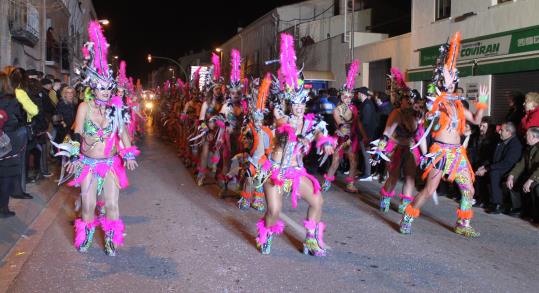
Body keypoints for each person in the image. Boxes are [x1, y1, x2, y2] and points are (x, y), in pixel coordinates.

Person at [56, 21, 139, 256]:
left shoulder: (117, 108)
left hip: (111, 163)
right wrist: (73, 153)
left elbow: (123, 135)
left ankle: (111, 239)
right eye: (100, 87)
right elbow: (76, 132)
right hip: (89, 164)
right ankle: (88, 234)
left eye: (107, 87)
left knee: (112, 205)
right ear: (93, 86)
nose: (104, 91)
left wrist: (129, 153)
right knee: (89, 205)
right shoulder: (84, 106)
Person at [399, 32, 488, 237]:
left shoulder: (458, 105)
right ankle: (408, 216)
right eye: (446, 82)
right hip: (440, 153)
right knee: (429, 191)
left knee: (469, 190)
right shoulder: (436, 105)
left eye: (452, 81)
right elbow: (428, 113)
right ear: (440, 83)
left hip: (458, 154)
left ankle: (463, 223)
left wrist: (482, 102)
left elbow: (475, 119)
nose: (450, 85)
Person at [256, 34, 334, 256]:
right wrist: (295, 133)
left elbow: (319, 131)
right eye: (295, 104)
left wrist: (325, 142)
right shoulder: (281, 115)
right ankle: (266, 233)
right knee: (274, 210)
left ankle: (311, 240)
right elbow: (282, 125)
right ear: (289, 104)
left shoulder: (311, 121)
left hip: (296, 172)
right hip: (275, 171)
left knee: (318, 201)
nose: (299, 107)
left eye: (302, 103)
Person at [373, 68, 427, 214]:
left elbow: (420, 136)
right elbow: (387, 133)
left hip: (410, 148)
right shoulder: (396, 113)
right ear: (401, 100)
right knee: (394, 176)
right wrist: (380, 150)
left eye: (411, 99)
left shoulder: (418, 115)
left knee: (410, 177)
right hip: (396, 147)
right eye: (406, 99)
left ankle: (405, 204)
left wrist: (426, 155)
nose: (409, 101)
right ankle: (386, 196)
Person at [322, 59, 361, 193]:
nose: (347, 99)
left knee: (353, 161)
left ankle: (350, 184)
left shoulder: (354, 108)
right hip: (341, 137)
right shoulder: (337, 109)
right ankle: (327, 180)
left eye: (349, 97)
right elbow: (339, 122)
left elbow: (358, 122)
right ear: (341, 96)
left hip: (352, 137)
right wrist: (344, 125)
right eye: (345, 97)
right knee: (336, 161)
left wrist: (362, 135)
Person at [475, 122, 522, 214]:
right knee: (479, 171)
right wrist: (484, 167)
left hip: (509, 169)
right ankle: (483, 199)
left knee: (494, 173)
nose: (499, 132)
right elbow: (492, 158)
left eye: (502, 130)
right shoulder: (501, 141)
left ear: (509, 132)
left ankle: (497, 204)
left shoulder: (515, 144)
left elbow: (507, 163)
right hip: (500, 167)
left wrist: (488, 168)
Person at [0, 72, 26, 217]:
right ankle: (3, 208)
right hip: (7, 143)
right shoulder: (11, 100)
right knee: (6, 176)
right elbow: (15, 121)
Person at [506, 127, 539, 222]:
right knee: (513, 182)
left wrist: (530, 180)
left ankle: (536, 215)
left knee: (536, 188)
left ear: (534, 137)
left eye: (527, 135)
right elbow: (521, 164)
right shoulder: (529, 148)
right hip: (532, 176)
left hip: (536, 177)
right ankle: (519, 209)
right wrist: (511, 176)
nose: (524, 137)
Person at [472, 116, 498, 207]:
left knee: (481, 175)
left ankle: (482, 199)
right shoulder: (476, 137)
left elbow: (492, 156)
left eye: (484, 126)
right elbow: (473, 151)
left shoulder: (494, 139)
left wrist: (484, 166)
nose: (481, 128)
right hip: (477, 162)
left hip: (488, 163)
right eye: (480, 126)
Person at [356, 86, 377, 181]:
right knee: (365, 154)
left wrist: (365, 137)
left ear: (361, 94)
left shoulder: (367, 105)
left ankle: (368, 174)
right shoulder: (365, 103)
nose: (357, 95)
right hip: (364, 134)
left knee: (366, 154)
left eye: (358, 93)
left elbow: (365, 122)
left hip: (366, 134)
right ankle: (366, 172)